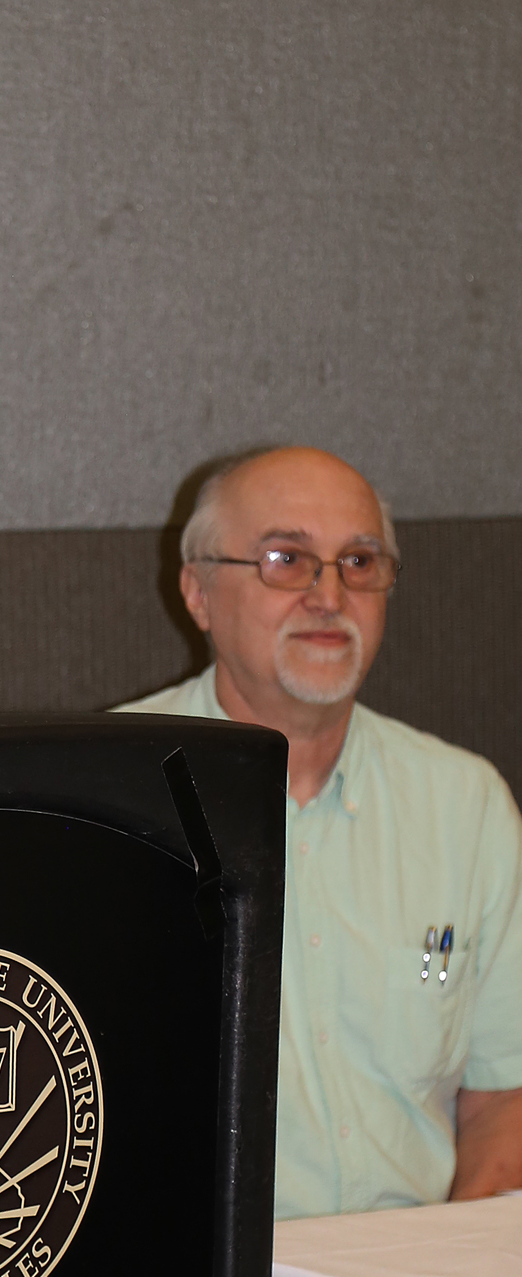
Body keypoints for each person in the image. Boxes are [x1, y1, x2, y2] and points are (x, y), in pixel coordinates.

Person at [118, 446, 522, 1220]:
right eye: (286, 558)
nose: (329, 594)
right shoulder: (105, 800)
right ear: (198, 592)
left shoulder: (464, 806)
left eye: (359, 562)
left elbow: (503, 1102)